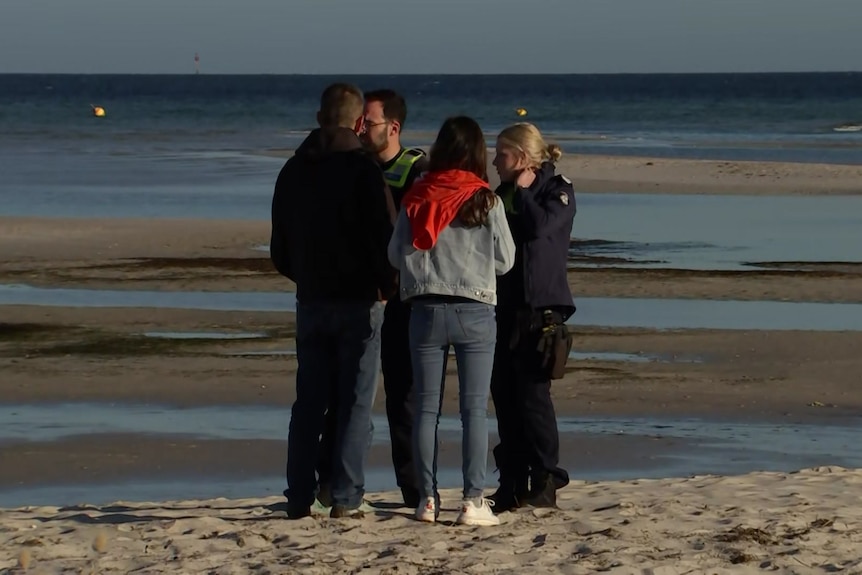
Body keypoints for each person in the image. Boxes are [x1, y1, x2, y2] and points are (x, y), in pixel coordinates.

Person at [270, 82, 396, 520]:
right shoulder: (362, 170)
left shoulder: (293, 170)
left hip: (314, 298)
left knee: (310, 401)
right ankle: (344, 495)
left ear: (320, 116)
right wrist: (387, 285)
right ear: (359, 122)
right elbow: (386, 236)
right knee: (354, 401)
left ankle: (300, 494)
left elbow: (279, 249)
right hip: (357, 300)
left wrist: (305, 275)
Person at [388, 116, 515, 525]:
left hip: (424, 308)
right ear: (478, 153)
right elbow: (506, 259)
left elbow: (395, 254)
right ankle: (472, 500)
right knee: (474, 409)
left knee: (426, 409)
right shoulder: (485, 199)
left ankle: (427, 499)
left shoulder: (417, 195)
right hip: (475, 307)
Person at [488, 122, 576, 512]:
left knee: (533, 397)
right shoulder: (500, 194)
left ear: (522, 159)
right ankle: (511, 481)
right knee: (504, 396)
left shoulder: (559, 191)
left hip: (542, 310)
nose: (494, 161)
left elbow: (541, 228)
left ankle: (545, 480)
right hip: (503, 306)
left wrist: (523, 192)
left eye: (501, 154)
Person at [362, 89, 429, 508]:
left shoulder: (416, 170)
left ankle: (417, 486)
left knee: (408, 396)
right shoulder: (359, 167)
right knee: (369, 394)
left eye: (368, 123)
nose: (361, 130)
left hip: (406, 297)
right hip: (365, 295)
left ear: (393, 127)